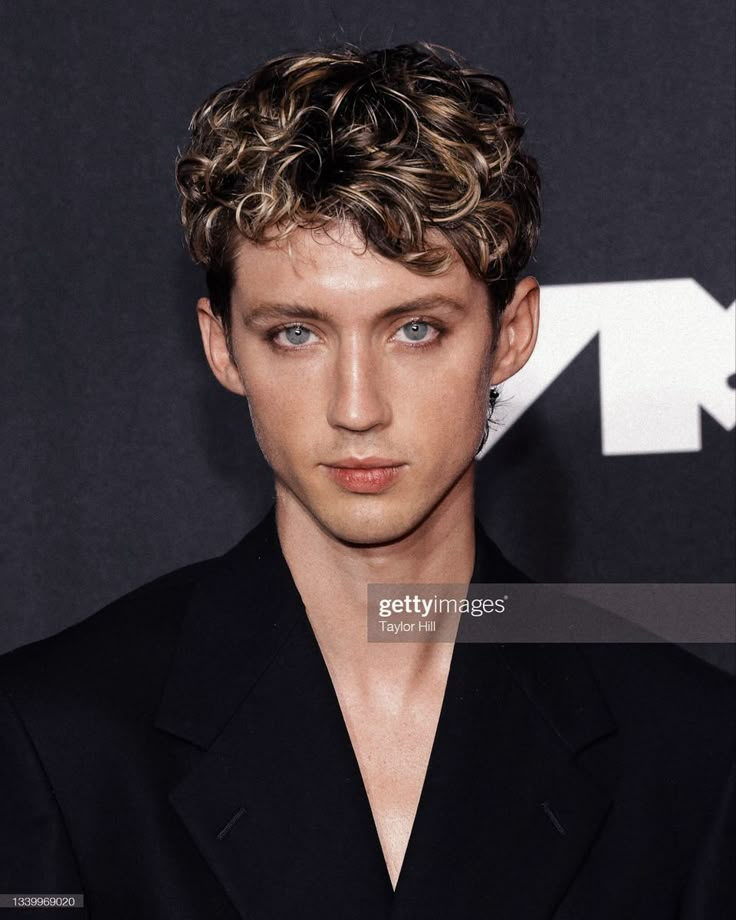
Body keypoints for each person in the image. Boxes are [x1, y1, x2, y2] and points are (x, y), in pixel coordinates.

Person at [0, 43, 733, 920]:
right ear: (222, 345)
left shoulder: (689, 748)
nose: (356, 407)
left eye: (415, 329)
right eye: (296, 334)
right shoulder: (60, 731)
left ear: (511, 334)